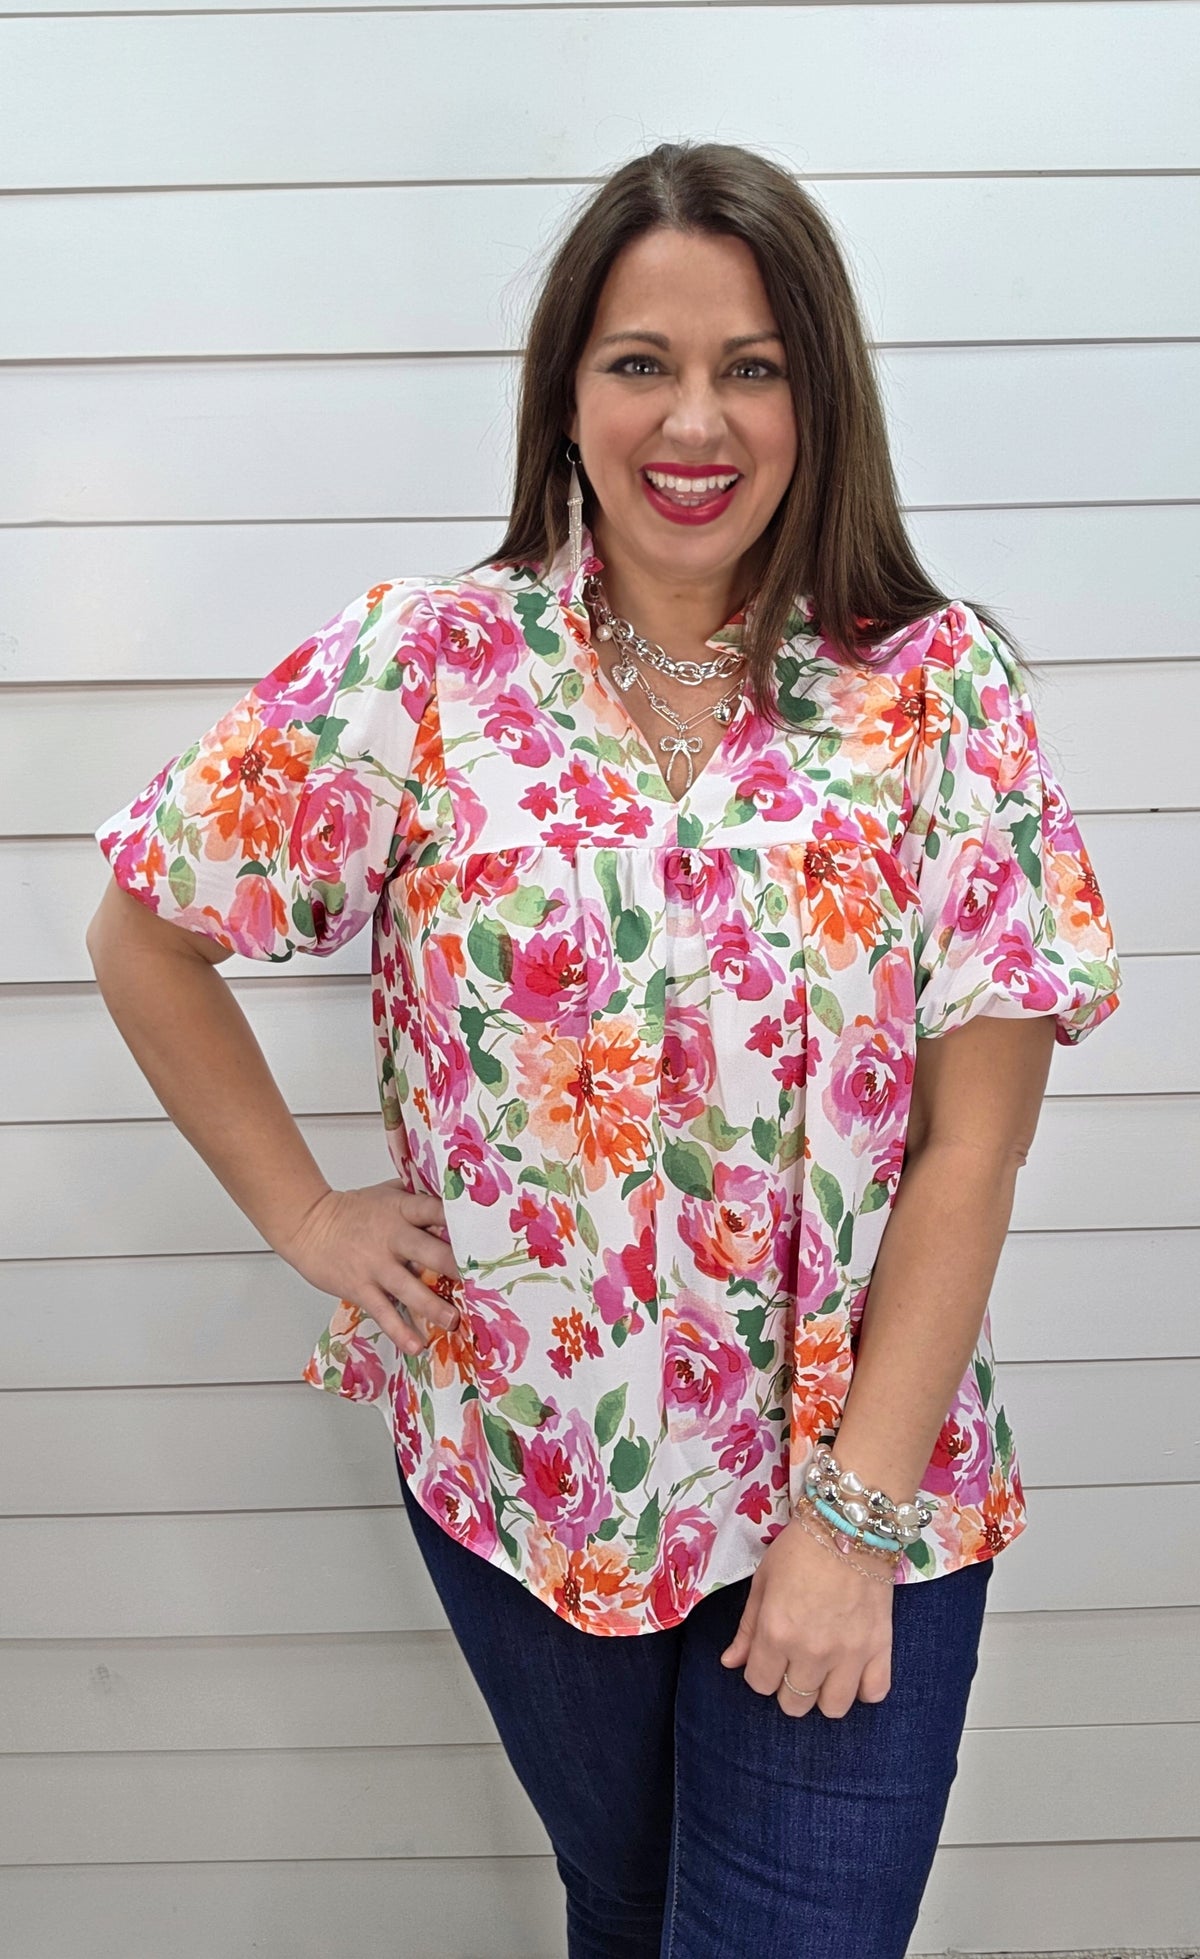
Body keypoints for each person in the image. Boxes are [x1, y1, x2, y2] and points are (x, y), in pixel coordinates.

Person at [87, 140, 1123, 1959]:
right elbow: (148, 924)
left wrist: (851, 1519)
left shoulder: (936, 690)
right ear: (566, 395)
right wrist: (312, 1219)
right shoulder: (426, 667)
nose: (692, 419)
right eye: (640, 361)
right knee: (626, 1908)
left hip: (860, 1481)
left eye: (753, 365)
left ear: (823, 397)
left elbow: (976, 1141)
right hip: (524, 1472)